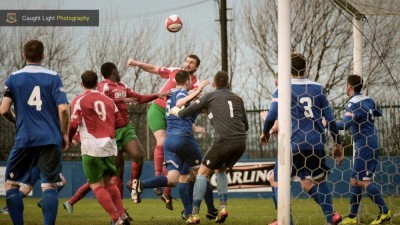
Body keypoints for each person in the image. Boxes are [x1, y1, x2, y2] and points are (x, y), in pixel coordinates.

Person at [63, 62, 168, 213]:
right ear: (113, 71)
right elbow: (101, 100)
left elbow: (138, 97)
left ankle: (133, 184)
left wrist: (155, 95)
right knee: (115, 174)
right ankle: (121, 212)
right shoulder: (103, 86)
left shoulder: (122, 86)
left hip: (125, 128)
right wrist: (121, 101)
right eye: (117, 70)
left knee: (138, 155)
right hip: (110, 132)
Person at [260, 53, 343, 225]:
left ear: (286, 68)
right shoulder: (318, 88)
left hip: (295, 143)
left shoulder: (283, 88)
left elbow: (270, 116)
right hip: (316, 142)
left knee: (275, 180)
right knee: (313, 181)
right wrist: (338, 143)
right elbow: (331, 120)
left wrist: (265, 132)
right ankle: (331, 217)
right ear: (305, 68)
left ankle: (285, 221)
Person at [130, 70, 217, 219]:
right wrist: (200, 90)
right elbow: (181, 102)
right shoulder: (182, 93)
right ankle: (211, 209)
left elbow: (187, 108)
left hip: (169, 141)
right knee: (203, 174)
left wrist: (198, 97)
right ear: (188, 81)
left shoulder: (172, 94)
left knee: (173, 179)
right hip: (184, 139)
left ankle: (141, 185)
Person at [0, 39, 70, 225]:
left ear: (24, 55)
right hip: (50, 138)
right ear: (43, 56)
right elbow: (63, 108)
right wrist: (64, 134)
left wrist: (17, 122)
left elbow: (4, 109)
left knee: (12, 185)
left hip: (25, 139)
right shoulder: (54, 77)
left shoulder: (13, 78)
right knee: (49, 185)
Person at [170, 71, 248, 224]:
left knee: (202, 173)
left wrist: (175, 111)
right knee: (220, 169)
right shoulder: (238, 99)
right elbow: (246, 125)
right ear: (228, 83)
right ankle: (223, 208)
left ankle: (194, 214)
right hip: (241, 142)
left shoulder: (210, 96)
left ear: (213, 84)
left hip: (224, 141)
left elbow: (184, 113)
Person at [127, 55, 202, 210]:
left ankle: (166, 190)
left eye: (191, 63)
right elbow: (154, 68)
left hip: (174, 116)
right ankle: (158, 180)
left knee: (174, 153)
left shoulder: (196, 84)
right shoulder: (175, 71)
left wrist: (193, 126)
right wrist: (135, 62)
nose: (187, 64)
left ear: (196, 67)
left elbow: (191, 107)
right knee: (161, 143)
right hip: (157, 109)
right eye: (186, 61)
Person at [68, 70, 130, 225]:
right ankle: (122, 215)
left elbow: (74, 124)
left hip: (91, 147)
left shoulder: (78, 100)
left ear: (82, 84)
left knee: (96, 184)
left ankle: (116, 219)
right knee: (109, 182)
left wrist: (68, 139)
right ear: (97, 83)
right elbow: (121, 122)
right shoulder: (109, 101)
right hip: (108, 146)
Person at [337, 75, 392, 225]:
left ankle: (385, 212)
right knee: (354, 181)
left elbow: (344, 125)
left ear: (349, 86)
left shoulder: (352, 103)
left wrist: (325, 122)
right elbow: (378, 113)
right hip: (369, 143)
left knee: (362, 181)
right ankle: (353, 216)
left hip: (365, 146)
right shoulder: (369, 100)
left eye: (346, 84)